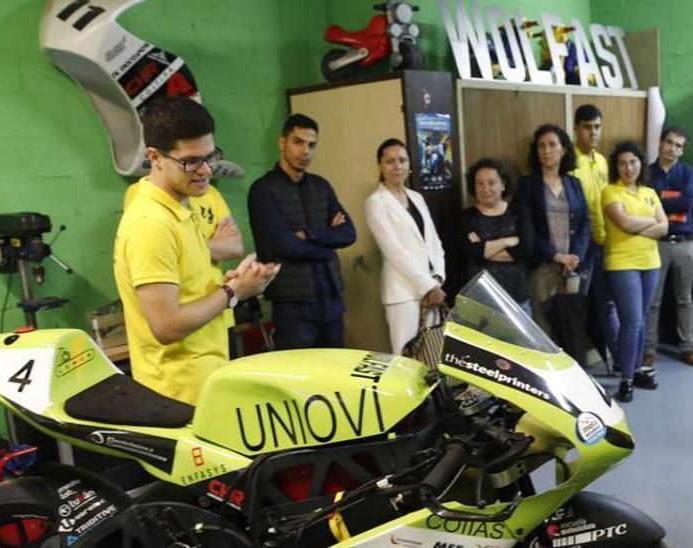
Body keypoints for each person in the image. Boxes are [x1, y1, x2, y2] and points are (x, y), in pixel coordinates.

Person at [112, 96, 278, 404]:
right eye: (190, 161)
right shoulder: (152, 224)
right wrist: (233, 291)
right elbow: (166, 326)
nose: (205, 170)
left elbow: (189, 291)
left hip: (205, 379)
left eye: (211, 156)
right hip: (179, 393)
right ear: (154, 157)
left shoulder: (181, 210)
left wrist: (233, 282)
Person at [247, 114, 356, 350]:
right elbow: (285, 246)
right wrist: (329, 242)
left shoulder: (321, 186)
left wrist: (311, 234)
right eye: (298, 142)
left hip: (331, 298)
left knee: (334, 374)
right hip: (293, 305)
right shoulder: (263, 190)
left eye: (311, 144)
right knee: (299, 379)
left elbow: (349, 233)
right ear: (282, 143)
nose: (305, 151)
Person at [364, 138, 447, 355]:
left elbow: (434, 242)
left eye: (402, 160)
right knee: (407, 359)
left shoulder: (417, 197)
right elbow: (393, 251)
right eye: (390, 161)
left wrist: (437, 278)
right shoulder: (376, 202)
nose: (397, 166)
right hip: (403, 294)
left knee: (432, 356)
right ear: (380, 166)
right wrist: (428, 286)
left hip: (431, 290)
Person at [601, 141, 665, 402]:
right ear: (616, 167)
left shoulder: (649, 192)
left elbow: (665, 227)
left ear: (641, 164)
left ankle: (636, 369)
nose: (628, 168)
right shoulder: (610, 192)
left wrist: (643, 226)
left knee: (641, 318)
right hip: (622, 263)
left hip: (651, 262)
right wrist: (651, 222)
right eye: (622, 163)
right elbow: (624, 223)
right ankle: (626, 378)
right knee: (632, 321)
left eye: (633, 162)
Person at [516, 124, 591, 331]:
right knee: (542, 324)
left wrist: (575, 255)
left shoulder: (574, 183)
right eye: (541, 146)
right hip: (542, 266)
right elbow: (527, 228)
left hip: (571, 268)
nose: (546, 151)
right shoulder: (527, 184)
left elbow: (586, 222)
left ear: (564, 149)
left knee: (569, 324)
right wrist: (555, 255)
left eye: (552, 144)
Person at [644, 126, 693, 367]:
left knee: (685, 299)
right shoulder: (646, 173)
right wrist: (665, 203)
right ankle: (648, 349)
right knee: (653, 300)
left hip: (685, 244)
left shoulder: (689, 173)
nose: (672, 148)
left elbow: (686, 203)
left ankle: (687, 346)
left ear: (683, 149)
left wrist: (660, 201)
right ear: (660, 142)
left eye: (678, 145)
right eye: (669, 142)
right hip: (656, 244)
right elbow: (646, 206)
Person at [572, 104, 621, 371]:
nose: (593, 133)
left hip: (606, 244)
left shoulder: (602, 161)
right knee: (577, 308)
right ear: (577, 129)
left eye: (597, 127)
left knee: (608, 304)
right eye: (587, 127)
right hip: (581, 247)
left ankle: (621, 363)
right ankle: (578, 366)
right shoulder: (568, 161)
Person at [462, 158, 534, 314]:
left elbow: (525, 250)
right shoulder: (467, 217)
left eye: (491, 182)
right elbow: (472, 252)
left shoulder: (519, 212)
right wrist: (507, 241)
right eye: (479, 183)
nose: (485, 188)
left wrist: (484, 248)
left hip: (517, 298)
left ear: (503, 185)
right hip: (480, 301)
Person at [123, 176, 243, 263]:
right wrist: (215, 244)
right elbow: (163, 252)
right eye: (191, 160)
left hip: (216, 291)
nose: (204, 169)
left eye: (208, 158)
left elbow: (236, 247)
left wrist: (184, 247)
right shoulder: (141, 192)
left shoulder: (210, 192)